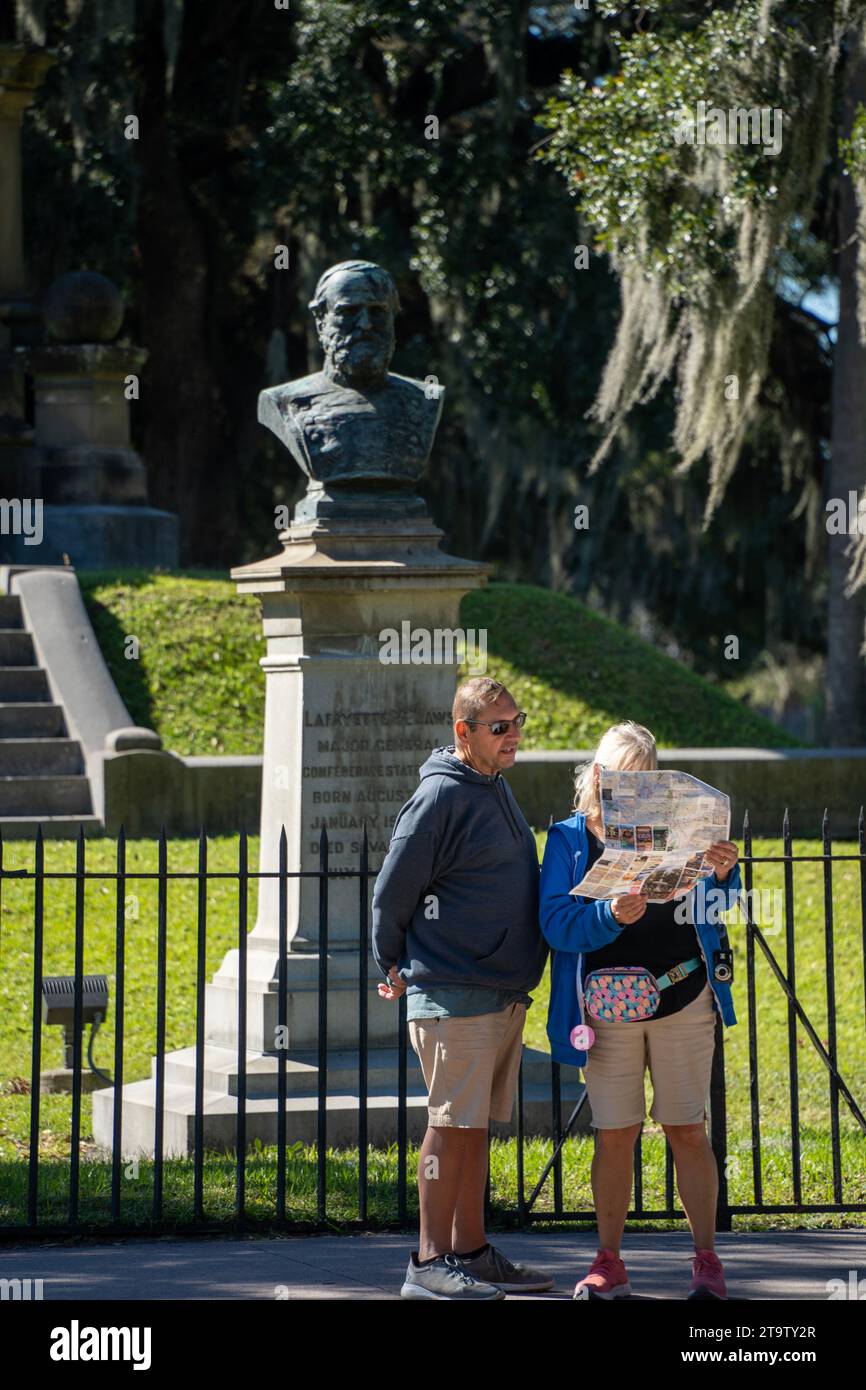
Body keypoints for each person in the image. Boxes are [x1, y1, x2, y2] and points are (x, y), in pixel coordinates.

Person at [540, 720, 741, 1301]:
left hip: (683, 994)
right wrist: (608, 916)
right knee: (615, 1133)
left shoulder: (677, 831)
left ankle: (706, 1260)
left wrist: (724, 873)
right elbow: (554, 923)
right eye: (622, 779)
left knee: (686, 1129)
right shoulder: (570, 840)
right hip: (606, 1006)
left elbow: (720, 908)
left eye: (645, 780)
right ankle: (609, 1261)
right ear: (597, 776)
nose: (632, 790)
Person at [373, 676, 552, 1300]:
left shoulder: (491, 785)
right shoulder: (440, 797)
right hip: (452, 992)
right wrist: (389, 961)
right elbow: (392, 890)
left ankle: (471, 1252)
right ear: (463, 732)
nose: (513, 736)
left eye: (517, 722)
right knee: (448, 1128)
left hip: (499, 991)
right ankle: (426, 1262)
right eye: (498, 727)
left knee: (473, 1128)